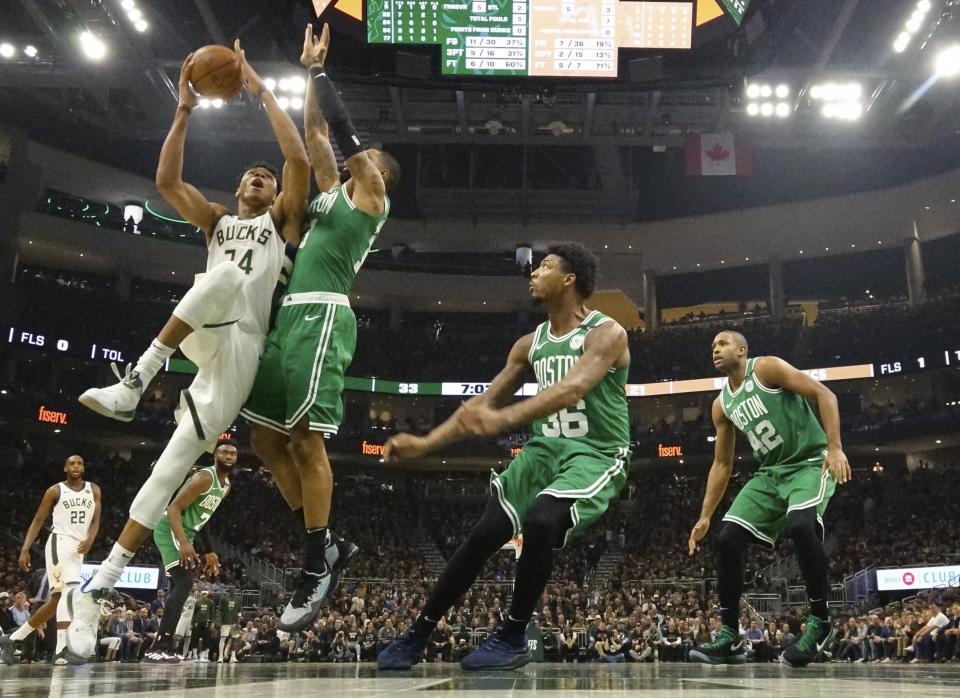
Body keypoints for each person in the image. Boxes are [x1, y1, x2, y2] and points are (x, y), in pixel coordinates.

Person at [65, 41, 310, 664]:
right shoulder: (217, 222)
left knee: (168, 470)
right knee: (220, 278)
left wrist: (257, 85)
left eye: (269, 179)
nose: (263, 179)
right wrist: (183, 109)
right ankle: (137, 378)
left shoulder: (282, 225)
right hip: (208, 325)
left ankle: (100, 586)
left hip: (244, 346)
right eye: (252, 176)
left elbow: (297, 157)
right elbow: (167, 182)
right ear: (237, 186)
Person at [378, 243, 631, 671]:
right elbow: (482, 404)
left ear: (569, 280)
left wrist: (504, 419)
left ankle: (512, 635)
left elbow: (570, 390)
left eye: (545, 267)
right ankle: (417, 633)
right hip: (543, 452)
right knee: (484, 533)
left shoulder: (607, 333)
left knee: (540, 519)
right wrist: (425, 444)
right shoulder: (528, 344)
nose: (533, 274)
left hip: (596, 451)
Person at [240, 23, 400, 632]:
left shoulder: (371, 201)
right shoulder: (332, 194)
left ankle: (313, 566)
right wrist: (307, 71)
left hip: (325, 313)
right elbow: (314, 134)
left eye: (369, 159)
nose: (358, 158)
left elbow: (343, 133)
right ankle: (327, 542)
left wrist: (323, 76)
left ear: (380, 174)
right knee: (262, 440)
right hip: (287, 316)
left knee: (307, 439)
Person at [688, 331, 851, 667]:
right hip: (770, 473)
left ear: (742, 349)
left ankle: (820, 622)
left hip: (808, 462)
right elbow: (722, 463)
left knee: (802, 526)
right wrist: (705, 515)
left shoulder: (766, 368)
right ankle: (730, 636)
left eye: (722, 344)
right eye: (712, 347)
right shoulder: (721, 405)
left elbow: (824, 393)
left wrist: (834, 447)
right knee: (728, 539)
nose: (715, 349)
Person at [143, 440, 235, 664]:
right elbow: (174, 508)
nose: (229, 455)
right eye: (224, 451)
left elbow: (204, 521)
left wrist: (209, 551)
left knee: (179, 586)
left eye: (233, 453)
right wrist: (184, 543)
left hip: (189, 533)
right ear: (215, 455)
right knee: (184, 584)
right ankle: (159, 645)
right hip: (170, 529)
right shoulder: (205, 477)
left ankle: (166, 646)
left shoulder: (225, 486)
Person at [11, 455, 100, 664]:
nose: (75, 466)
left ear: (84, 468)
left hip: (79, 548)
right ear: (65, 468)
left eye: (79, 463)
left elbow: (96, 519)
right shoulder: (55, 490)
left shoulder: (94, 489)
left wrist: (91, 539)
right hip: (59, 543)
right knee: (69, 593)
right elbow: (38, 520)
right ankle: (61, 649)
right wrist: (25, 549)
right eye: (71, 463)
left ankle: (14, 638)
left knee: (57, 600)